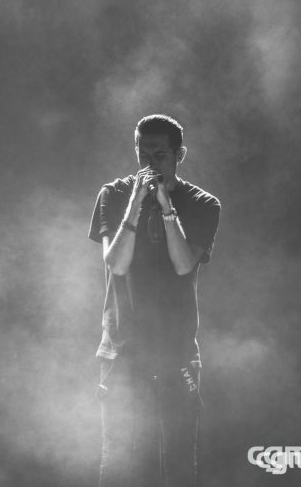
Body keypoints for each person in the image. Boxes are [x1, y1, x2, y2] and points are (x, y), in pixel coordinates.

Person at [88, 114, 220, 487]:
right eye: (143, 154)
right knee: (119, 463)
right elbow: (116, 264)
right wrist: (135, 202)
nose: (150, 164)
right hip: (122, 351)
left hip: (177, 352)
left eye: (160, 155)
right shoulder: (113, 194)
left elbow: (183, 264)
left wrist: (165, 207)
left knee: (178, 465)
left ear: (180, 154)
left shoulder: (202, 203)